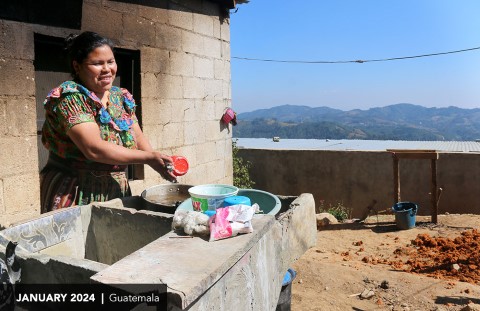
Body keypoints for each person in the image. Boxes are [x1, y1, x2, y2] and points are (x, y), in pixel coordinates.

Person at [40, 31, 177, 213]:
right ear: (77, 66)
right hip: (74, 190)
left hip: (114, 188)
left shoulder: (120, 97)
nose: (107, 69)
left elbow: (137, 135)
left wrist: (157, 160)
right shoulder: (70, 98)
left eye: (110, 61)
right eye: (97, 63)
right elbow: (93, 149)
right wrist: (148, 158)